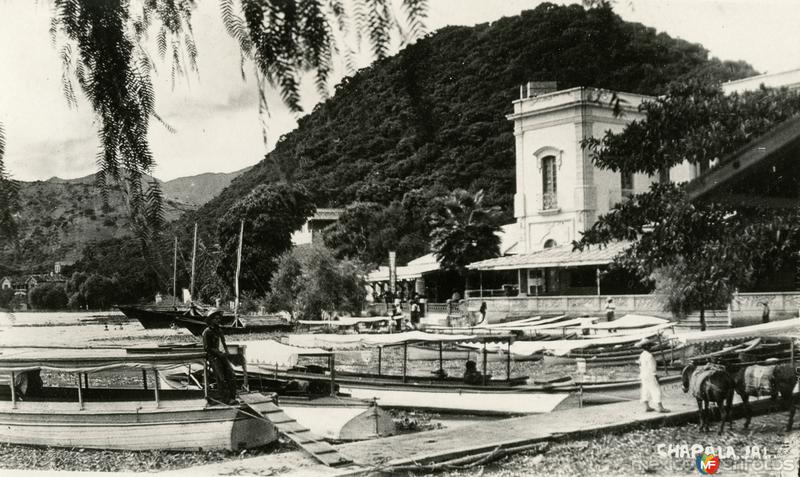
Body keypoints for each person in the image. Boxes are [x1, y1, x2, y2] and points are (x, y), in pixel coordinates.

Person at [202, 315, 237, 404]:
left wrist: (226, 352)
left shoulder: (219, 330)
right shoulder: (207, 332)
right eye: (216, 319)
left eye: (219, 319)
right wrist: (219, 353)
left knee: (231, 374)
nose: (218, 320)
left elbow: (223, 343)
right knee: (221, 377)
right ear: (211, 320)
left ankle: (232, 397)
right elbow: (207, 347)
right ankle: (226, 399)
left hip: (222, 355)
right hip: (214, 357)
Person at [636, 338, 669, 413]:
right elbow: (652, 368)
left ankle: (647, 406)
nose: (650, 347)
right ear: (647, 346)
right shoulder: (649, 356)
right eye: (649, 346)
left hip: (643, 374)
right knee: (656, 389)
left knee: (645, 389)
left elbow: (640, 365)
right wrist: (655, 376)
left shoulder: (642, 355)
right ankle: (660, 407)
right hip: (650, 375)